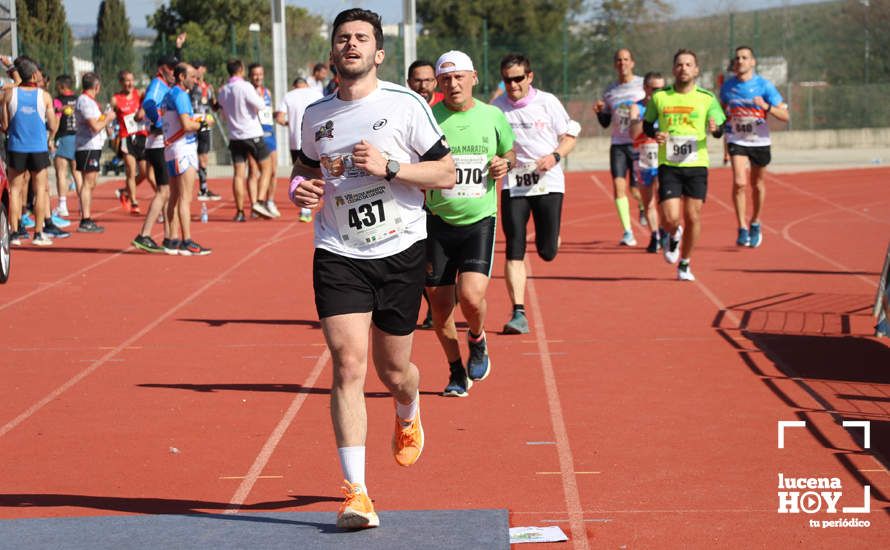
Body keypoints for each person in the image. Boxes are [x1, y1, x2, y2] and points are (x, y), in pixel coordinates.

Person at [289, 8, 454, 529]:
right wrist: (301, 190)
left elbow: (446, 172)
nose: (352, 44)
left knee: (394, 371)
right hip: (339, 250)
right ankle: (356, 493)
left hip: (401, 249)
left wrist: (391, 167)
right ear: (333, 51)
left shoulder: (406, 105)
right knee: (348, 365)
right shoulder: (315, 115)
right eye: (343, 38)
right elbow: (303, 172)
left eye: (362, 38)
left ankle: (407, 410)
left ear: (378, 53)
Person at [426, 50, 515, 396]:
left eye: (459, 77)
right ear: (438, 83)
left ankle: (477, 338)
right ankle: (455, 371)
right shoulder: (429, 117)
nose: (453, 84)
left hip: (479, 219)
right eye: (445, 79)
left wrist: (502, 163)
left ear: (473, 77)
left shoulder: (493, 115)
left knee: (471, 297)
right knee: (439, 308)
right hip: (436, 221)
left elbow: (510, 152)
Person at [492, 53, 579, 335]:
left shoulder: (548, 102)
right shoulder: (497, 108)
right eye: (508, 80)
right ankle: (518, 312)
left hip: (548, 181)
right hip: (515, 184)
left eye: (518, 79)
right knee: (514, 247)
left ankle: (552, 237)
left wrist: (554, 156)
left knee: (547, 251)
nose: (513, 85)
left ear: (529, 77)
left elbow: (569, 136)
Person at [638, 49, 726, 281]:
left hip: (697, 164)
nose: (684, 68)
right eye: (679, 64)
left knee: (693, 217)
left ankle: (685, 263)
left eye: (688, 65)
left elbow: (720, 127)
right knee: (671, 217)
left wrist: (716, 129)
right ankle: (672, 233)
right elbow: (647, 125)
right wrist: (656, 133)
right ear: (673, 69)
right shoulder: (660, 97)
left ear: (696, 70)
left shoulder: (707, 98)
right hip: (669, 164)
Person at [720, 46, 789, 248]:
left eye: (745, 57)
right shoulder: (727, 87)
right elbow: (722, 113)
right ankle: (741, 227)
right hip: (737, 139)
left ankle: (755, 221)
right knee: (739, 182)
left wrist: (766, 106)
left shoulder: (765, 86)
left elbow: (785, 116)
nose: (740, 61)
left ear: (753, 62)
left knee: (756, 184)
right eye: (738, 58)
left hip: (759, 141)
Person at [1, 56, 60, 246]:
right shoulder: (44, 96)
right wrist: (52, 130)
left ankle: (14, 233)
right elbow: (52, 125)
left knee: (15, 190)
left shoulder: (10, 95)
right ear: (34, 75)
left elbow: (4, 125)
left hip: (17, 147)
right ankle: (38, 233)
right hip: (38, 148)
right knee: (40, 190)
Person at [593, 48, 646, 246]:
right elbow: (606, 122)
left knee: (637, 189)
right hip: (618, 144)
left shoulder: (642, 85)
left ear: (632, 63)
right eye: (618, 60)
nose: (622, 63)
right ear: (615, 64)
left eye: (626, 59)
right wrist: (600, 112)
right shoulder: (610, 91)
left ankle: (642, 206)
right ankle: (628, 232)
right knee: (618, 186)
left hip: (639, 143)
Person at [162, 63, 211, 255]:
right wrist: (203, 123)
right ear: (182, 77)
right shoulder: (181, 95)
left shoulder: (170, 94)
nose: (196, 80)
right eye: (192, 76)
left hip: (173, 149)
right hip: (183, 150)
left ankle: (172, 239)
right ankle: (186, 240)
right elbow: (186, 124)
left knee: (175, 197)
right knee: (185, 197)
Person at [216, 58, 274, 221]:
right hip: (252, 133)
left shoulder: (224, 90)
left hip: (235, 136)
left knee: (238, 175)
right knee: (267, 168)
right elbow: (261, 105)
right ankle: (260, 201)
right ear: (241, 70)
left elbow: (220, 108)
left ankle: (240, 212)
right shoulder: (246, 86)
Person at [132, 54, 178, 254]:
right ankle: (144, 234)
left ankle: (169, 237)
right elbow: (149, 104)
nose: (174, 73)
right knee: (163, 191)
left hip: (161, 143)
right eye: (171, 68)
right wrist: (159, 125)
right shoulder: (158, 84)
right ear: (162, 69)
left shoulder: (165, 86)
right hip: (158, 143)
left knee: (167, 193)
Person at [275, 76, 322, 222]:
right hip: (315, 140)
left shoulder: (289, 96)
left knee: (301, 174)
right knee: (319, 173)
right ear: (306, 84)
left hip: (295, 141)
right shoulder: (317, 94)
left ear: (294, 85)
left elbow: (280, 118)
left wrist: (291, 124)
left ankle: (305, 209)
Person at [629, 71, 667, 253]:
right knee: (648, 201)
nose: (658, 92)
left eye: (662, 88)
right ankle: (655, 235)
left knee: (664, 198)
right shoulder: (636, 108)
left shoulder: (668, 107)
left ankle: (664, 230)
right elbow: (634, 134)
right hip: (643, 158)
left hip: (664, 158)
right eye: (654, 89)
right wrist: (648, 119)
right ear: (645, 88)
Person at [74, 71, 115, 233]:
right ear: (96, 87)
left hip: (93, 146)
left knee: (92, 182)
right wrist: (108, 118)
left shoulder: (90, 102)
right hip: (87, 146)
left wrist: (106, 119)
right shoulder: (85, 101)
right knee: (88, 182)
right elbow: (95, 126)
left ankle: (86, 214)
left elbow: (99, 123)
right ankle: (85, 218)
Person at [111, 69, 149, 215]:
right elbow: (110, 115)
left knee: (145, 172)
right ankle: (134, 201)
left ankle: (125, 191)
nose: (130, 83)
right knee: (130, 171)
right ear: (121, 82)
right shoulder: (116, 99)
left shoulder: (139, 94)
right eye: (127, 80)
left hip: (141, 136)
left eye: (132, 80)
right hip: (126, 137)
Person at [247, 63, 281, 218]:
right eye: (255, 74)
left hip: (269, 134)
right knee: (254, 172)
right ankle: (255, 204)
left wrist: (277, 115)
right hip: (254, 135)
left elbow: (267, 112)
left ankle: (269, 201)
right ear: (250, 76)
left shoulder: (267, 92)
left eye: (260, 74)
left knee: (273, 171)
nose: (258, 77)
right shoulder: (248, 92)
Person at [191, 60, 221, 202]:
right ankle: (197, 187)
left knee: (203, 157)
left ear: (204, 69)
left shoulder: (208, 88)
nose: (197, 71)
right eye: (195, 68)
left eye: (199, 68)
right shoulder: (190, 86)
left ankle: (203, 188)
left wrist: (219, 100)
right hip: (192, 124)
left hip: (205, 124)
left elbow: (213, 106)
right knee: (193, 156)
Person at [52, 74, 81, 219]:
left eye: (57, 86)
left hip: (64, 137)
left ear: (62, 86)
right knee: (77, 172)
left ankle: (63, 206)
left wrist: (51, 138)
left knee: (61, 172)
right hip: (79, 138)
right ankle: (83, 204)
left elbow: (56, 121)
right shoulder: (79, 99)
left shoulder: (58, 101)